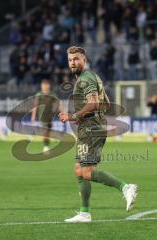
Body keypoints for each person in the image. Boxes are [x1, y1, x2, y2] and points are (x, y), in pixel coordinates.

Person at [59, 46, 138, 223]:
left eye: (76, 59)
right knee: (79, 170)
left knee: (86, 171)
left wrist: (73, 116)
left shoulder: (85, 79)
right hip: (90, 125)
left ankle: (125, 187)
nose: (73, 62)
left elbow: (94, 103)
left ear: (84, 59)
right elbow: (106, 103)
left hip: (90, 129)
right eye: (70, 60)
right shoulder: (93, 76)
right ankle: (84, 213)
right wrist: (85, 115)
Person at [31, 79, 58, 152]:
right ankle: (45, 147)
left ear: (49, 86)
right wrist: (33, 117)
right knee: (45, 131)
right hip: (42, 117)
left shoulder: (52, 94)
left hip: (50, 117)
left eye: (46, 85)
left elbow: (58, 103)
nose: (45, 87)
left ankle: (46, 144)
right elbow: (35, 107)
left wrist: (62, 112)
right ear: (42, 86)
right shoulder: (39, 95)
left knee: (48, 132)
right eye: (43, 85)